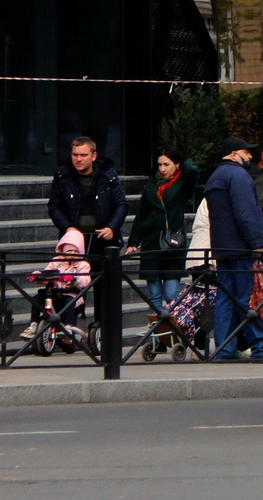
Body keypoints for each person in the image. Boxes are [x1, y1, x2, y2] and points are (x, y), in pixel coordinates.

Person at [202, 136, 263, 361]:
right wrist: (257, 242)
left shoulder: (215, 176)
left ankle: (224, 347)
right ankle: (261, 346)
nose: (250, 156)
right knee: (247, 297)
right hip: (241, 246)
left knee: (225, 297)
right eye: (246, 152)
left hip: (222, 246)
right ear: (233, 154)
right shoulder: (238, 175)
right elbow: (246, 213)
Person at [47, 136, 126, 325]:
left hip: (103, 240)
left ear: (94, 156)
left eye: (83, 155)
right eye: (75, 155)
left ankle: (103, 330)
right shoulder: (62, 175)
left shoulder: (108, 175)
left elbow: (121, 204)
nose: (78, 159)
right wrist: (67, 228)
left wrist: (111, 227)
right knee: (67, 285)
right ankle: (66, 328)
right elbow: (54, 206)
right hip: (74, 242)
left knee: (103, 289)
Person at [124, 148, 198, 313]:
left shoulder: (182, 184)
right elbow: (141, 215)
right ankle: (156, 335)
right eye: (159, 165)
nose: (162, 169)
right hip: (151, 243)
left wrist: (182, 161)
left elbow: (193, 171)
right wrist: (134, 242)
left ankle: (173, 331)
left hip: (172, 244)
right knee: (154, 295)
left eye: (167, 164)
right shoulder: (151, 184)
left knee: (172, 295)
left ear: (177, 164)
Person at [19, 229, 91, 344]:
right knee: (37, 299)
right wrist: (39, 276)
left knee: (69, 302)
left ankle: (68, 327)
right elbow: (48, 272)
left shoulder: (82, 265)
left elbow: (86, 279)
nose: (71, 254)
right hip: (53, 294)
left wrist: (74, 279)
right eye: (69, 251)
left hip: (71, 294)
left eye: (75, 251)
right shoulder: (56, 261)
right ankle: (33, 324)